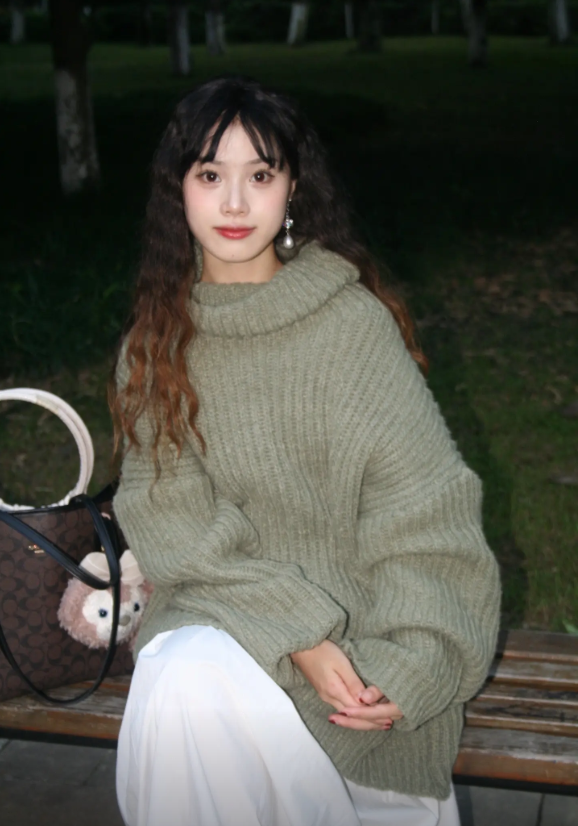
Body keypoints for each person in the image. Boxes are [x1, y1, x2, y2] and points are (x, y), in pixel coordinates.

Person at [110, 75, 501, 826]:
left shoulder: (350, 328)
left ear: (292, 188)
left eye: (260, 175)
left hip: (359, 653)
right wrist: (300, 636)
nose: (234, 203)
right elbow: (175, 529)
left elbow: (426, 515)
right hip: (221, 632)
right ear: (177, 190)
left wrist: (413, 663)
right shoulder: (156, 348)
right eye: (210, 175)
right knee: (184, 677)